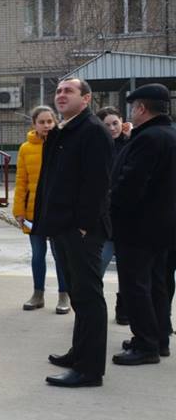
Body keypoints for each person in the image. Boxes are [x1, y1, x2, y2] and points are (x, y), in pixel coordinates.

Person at [33, 78, 113, 388]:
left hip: (81, 230)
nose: (61, 95)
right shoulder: (65, 131)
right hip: (62, 227)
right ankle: (79, 353)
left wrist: (83, 225)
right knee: (79, 295)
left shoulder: (93, 132)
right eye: (58, 91)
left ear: (87, 98)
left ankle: (90, 370)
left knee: (89, 297)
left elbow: (97, 184)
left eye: (69, 91)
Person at [109, 84, 176, 365]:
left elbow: (131, 184)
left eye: (132, 107)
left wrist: (112, 209)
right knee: (158, 284)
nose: (130, 113)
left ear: (141, 108)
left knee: (135, 286)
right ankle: (159, 338)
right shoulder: (169, 134)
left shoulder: (148, 139)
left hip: (138, 226)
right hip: (163, 226)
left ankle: (145, 344)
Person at [13, 106, 69, 314]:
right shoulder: (26, 148)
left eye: (50, 121)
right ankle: (38, 294)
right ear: (34, 124)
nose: (46, 126)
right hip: (32, 211)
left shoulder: (63, 145)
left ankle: (64, 295)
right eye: (42, 122)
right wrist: (18, 211)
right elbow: (21, 181)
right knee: (38, 254)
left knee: (59, 255)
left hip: (56, 211)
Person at [96, 106, 131, 325]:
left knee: (127, 270)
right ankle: (93, 308)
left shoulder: (131, 145)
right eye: (107, 125)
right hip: (104, 219)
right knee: (98, 265)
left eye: (115, 123)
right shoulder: (97, 147)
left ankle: (123, 309)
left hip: (126, 218)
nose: (112, 128)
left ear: (122, 122)